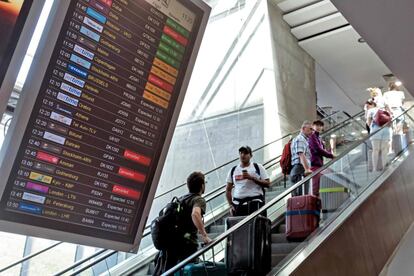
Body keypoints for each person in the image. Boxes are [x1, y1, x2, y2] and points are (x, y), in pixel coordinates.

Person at [154, 172, 211, 275]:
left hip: (174, 243)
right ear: (202, 186)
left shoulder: (181, 199)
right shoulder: (198, 199)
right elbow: (195, 214)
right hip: (187, 245)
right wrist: (205, 236)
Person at [226, 146, 270, 216]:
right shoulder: (233, 170)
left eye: (245, 153)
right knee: (241, 226)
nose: (243, 155)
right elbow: (228, 190)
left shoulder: (258, 167)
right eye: (241, 153)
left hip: (255, 203)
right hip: (238, 205)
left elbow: (268, 183)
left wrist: (252, 178)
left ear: (251, 155)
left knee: (257, 226)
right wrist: (231, 205)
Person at [308, 120, 335, 197]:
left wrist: (331, 151)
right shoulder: (312, 136)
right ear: (313, 126)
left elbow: (322, 150)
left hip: (319, 165)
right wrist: (331, 156)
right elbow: (318, 150)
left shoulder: (318, 138)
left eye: (320, 126)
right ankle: (314, 206)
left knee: (319, 187)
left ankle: (318, 204)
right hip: (314, 165)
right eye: (317, 125)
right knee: (315, 188)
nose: (318, 127)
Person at [290, 121, 314, 196]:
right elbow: (301, 154)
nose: (312, 131)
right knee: (299, 196)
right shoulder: (300, 139)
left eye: (313, 130)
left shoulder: (305, 140)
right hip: (300, 168)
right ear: (303, 128)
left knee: (303, 195)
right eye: (310, 129)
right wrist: (307, 169)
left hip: (301, 168)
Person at [366, 102, 391, 171]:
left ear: (372, 105)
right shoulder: (384, 110)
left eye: (367, 106)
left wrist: (371, 127)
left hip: (375, 130)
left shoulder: (370, 110)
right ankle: (384, 166)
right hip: (386, 129)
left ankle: (374, 168)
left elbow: (368, 122)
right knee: (384, 149)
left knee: (375, 149)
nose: (367, 107)